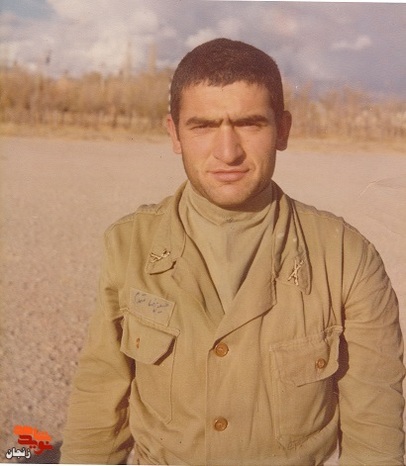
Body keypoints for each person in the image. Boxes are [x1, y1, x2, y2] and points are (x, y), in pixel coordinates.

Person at [60, 38, 405, 465]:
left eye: (249, 124)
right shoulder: (129, 245)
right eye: (203, 126)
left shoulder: (346, 258)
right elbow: (99, 403)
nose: (228, 152)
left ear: (282, 130)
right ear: (174, 134)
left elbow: (375, 435)